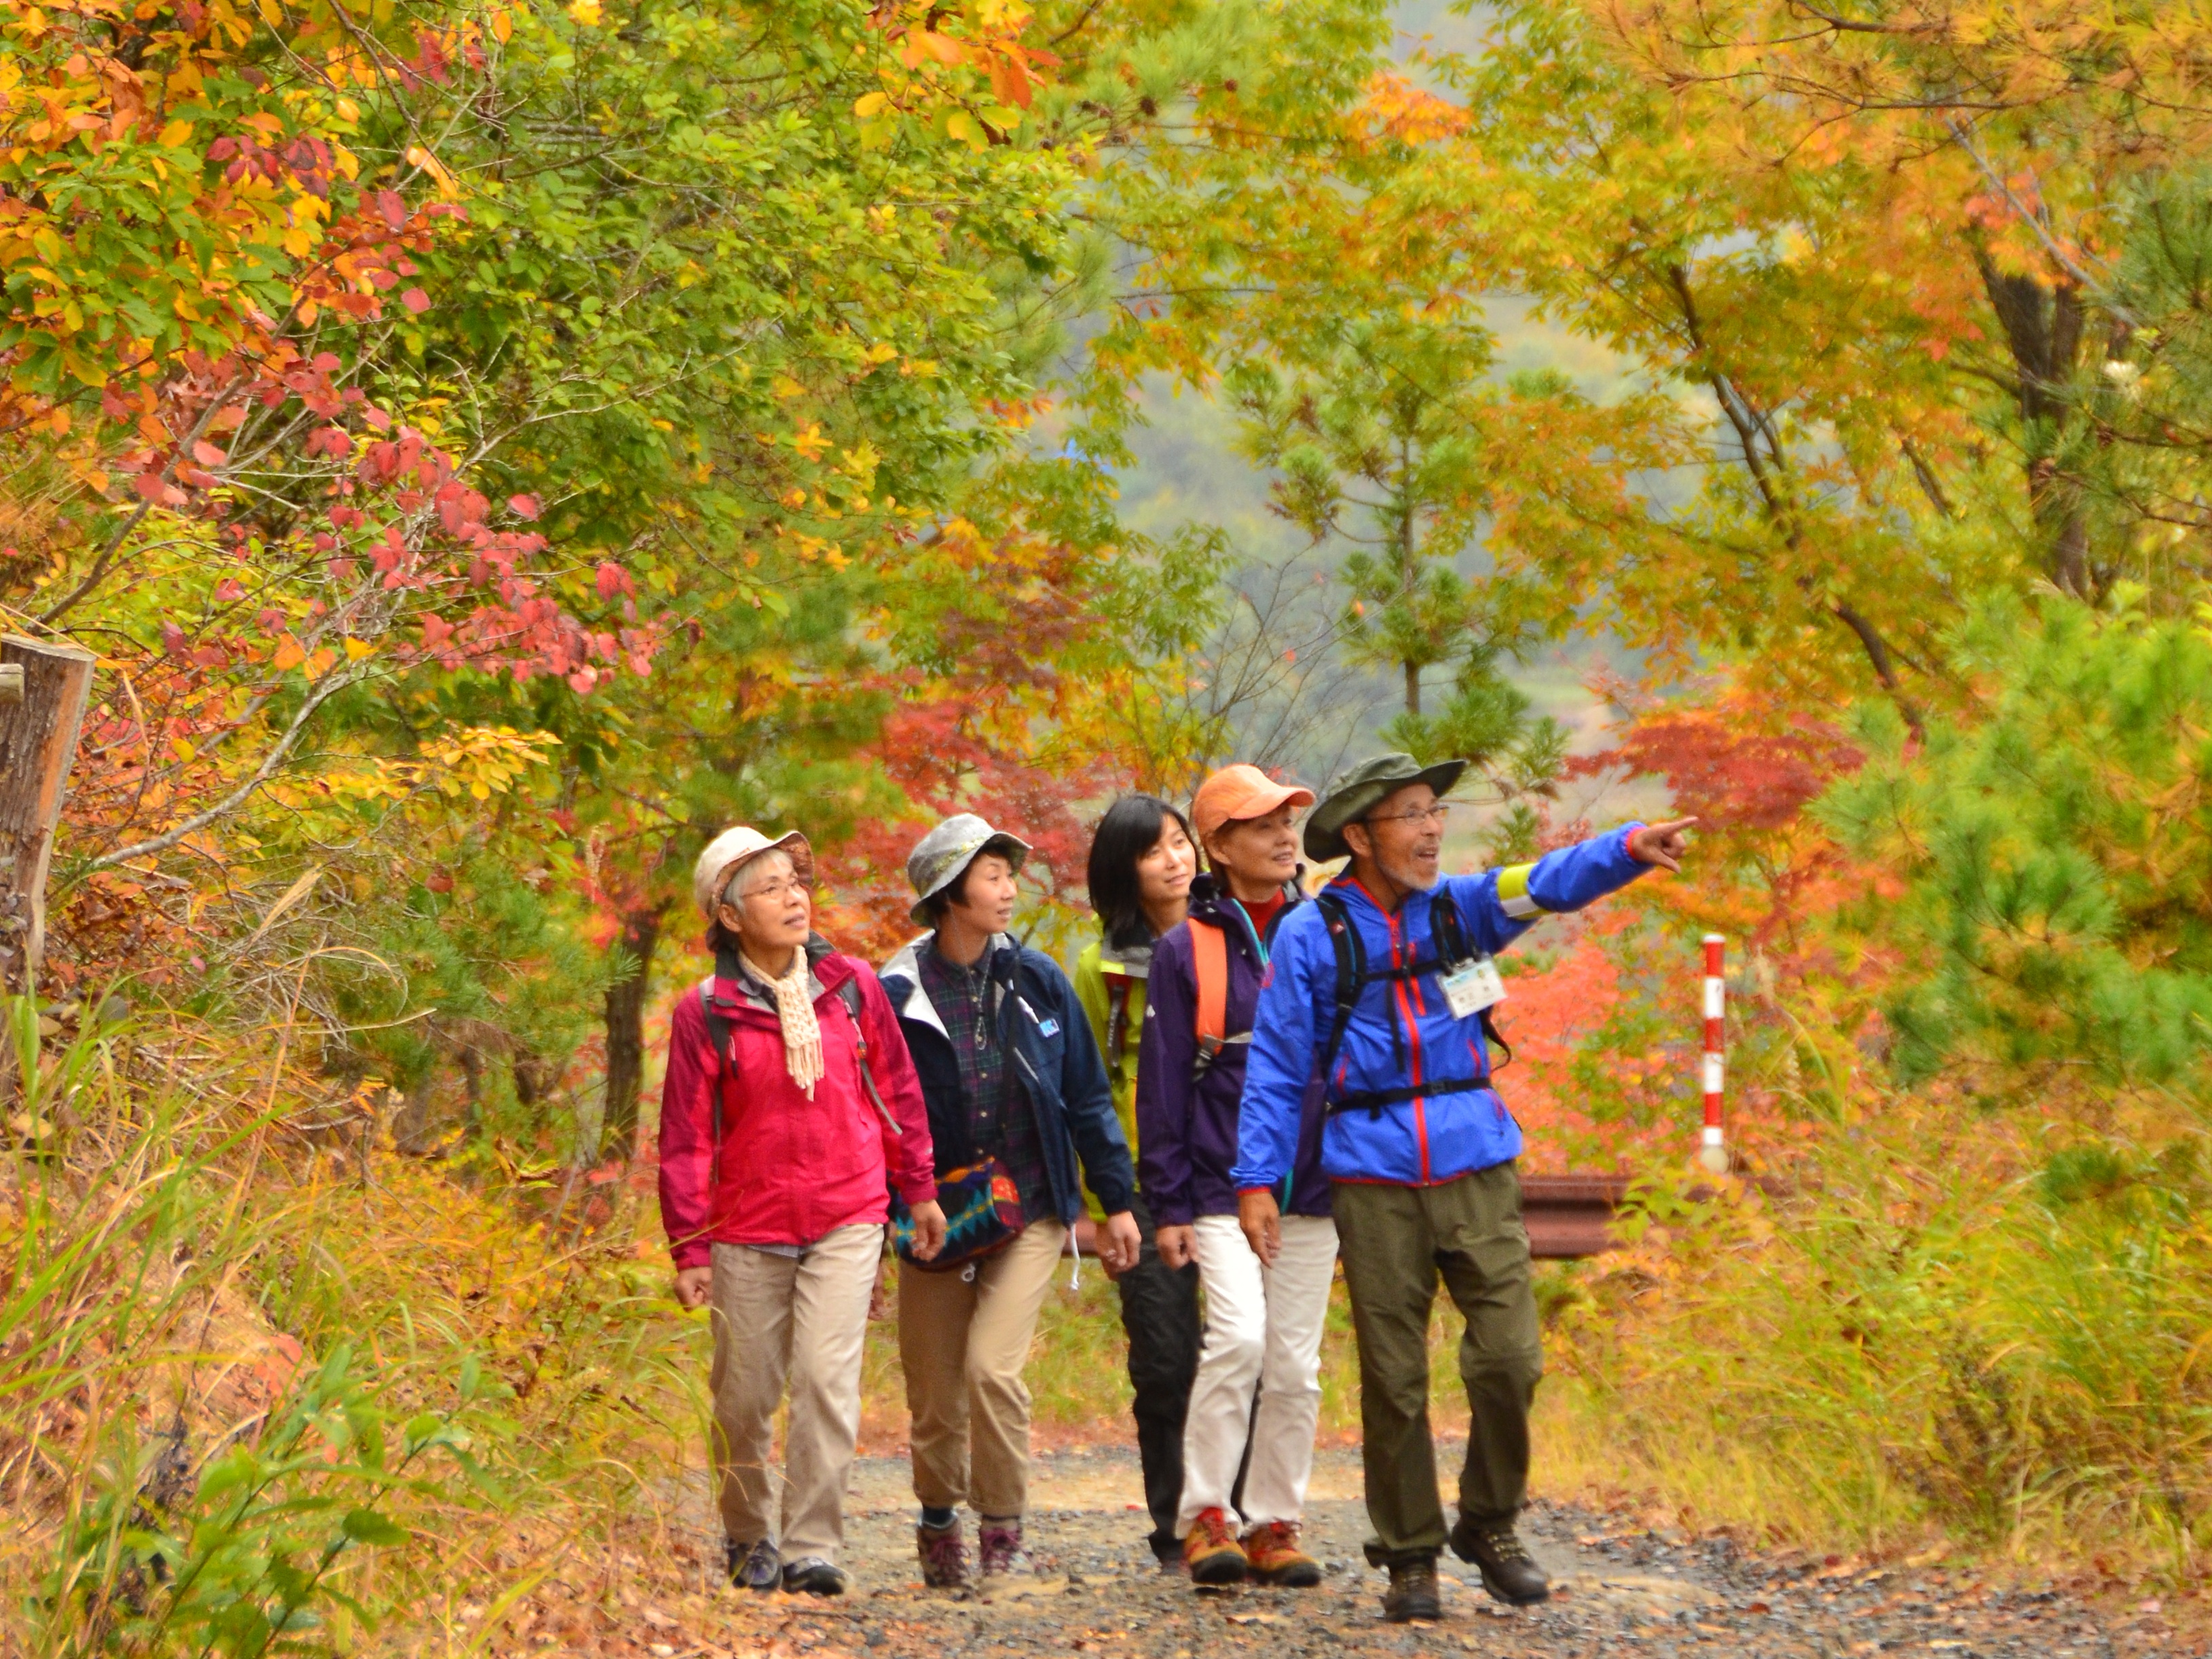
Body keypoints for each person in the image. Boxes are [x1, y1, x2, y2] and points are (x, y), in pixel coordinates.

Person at [1232, 755, 1697, 1622]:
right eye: (1410, 815)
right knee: (1396, 1377)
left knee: (1511, 1356)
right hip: (1370, 1172)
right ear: (1362, 836)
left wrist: (1630, 847)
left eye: (1434, 810)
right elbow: (1277, 1063)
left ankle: (1489, 1523)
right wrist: (1257, 1177)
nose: (1432, 828)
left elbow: (1552, 880)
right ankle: (1410, 1554)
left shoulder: (1467, 905)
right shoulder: (1313, 933)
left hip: (1476, 1157)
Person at [660, 826, 948, 1597]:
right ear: (729, 913)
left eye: (798, 882)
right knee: (744, 1396)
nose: (795, 898)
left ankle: (811, 1545)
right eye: (772, 887)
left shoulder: (851, 986)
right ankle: (749, 1535)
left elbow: (898, 1094)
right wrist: (689, 1248)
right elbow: (686, 1138)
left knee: (827, 1381)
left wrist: (917, 1188)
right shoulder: (707, 1010)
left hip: (848, 1212)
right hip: (746, 1229)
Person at [879, 813, 1145, 1590]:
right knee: (934, 1392)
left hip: (1030, 1204)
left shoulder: (1038, 981)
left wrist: (1115, 1200)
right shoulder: (894, 994)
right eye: (992, 875)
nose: (1008, 887)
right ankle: (937, 1521)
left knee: (992, 1369)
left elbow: (1088, 1095)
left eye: (1007, 872)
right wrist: (893, 1204)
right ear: (949, 892)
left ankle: (1003, 1536)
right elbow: (879, 1115)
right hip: (934, 1215)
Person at [1137, 764, 1339, 1589]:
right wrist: (1170, 1204)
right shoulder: (1187, 948)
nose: (1285, 836)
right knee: (1241, 1340)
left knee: (1295, 1364)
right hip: (1219, 1189)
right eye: (1261, 826)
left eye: (1288, 821)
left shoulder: (1324, 932)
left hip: (1315, 1190)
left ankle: (1275, 1521)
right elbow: (1161, 1086)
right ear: (1218, 845)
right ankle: (1206, 1517)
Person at [1073, 794, 1200, 1573]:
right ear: (1125, 870)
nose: (1176, 859)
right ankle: (1176, 1525)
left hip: (1226, 1172)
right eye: (1155, 850)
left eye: (1181, 842)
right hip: (1145, 1184)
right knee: (1163, 1354)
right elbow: (1088, 1088)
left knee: (1244, 1350)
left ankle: (1245, 1514)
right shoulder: (1101, 967)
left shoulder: (1230, 940)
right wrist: (1106, 1202)